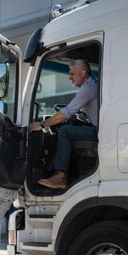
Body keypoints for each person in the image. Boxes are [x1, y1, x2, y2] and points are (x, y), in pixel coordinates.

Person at [29, 59, 99, 189]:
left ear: (83, 72)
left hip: (99, 132)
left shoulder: (88, 88)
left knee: (64, 131)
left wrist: (42, 125)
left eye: (72, 73)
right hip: (98, 128)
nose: (69, 77)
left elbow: (65, 113)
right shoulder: (93, 85)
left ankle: (61, 177)